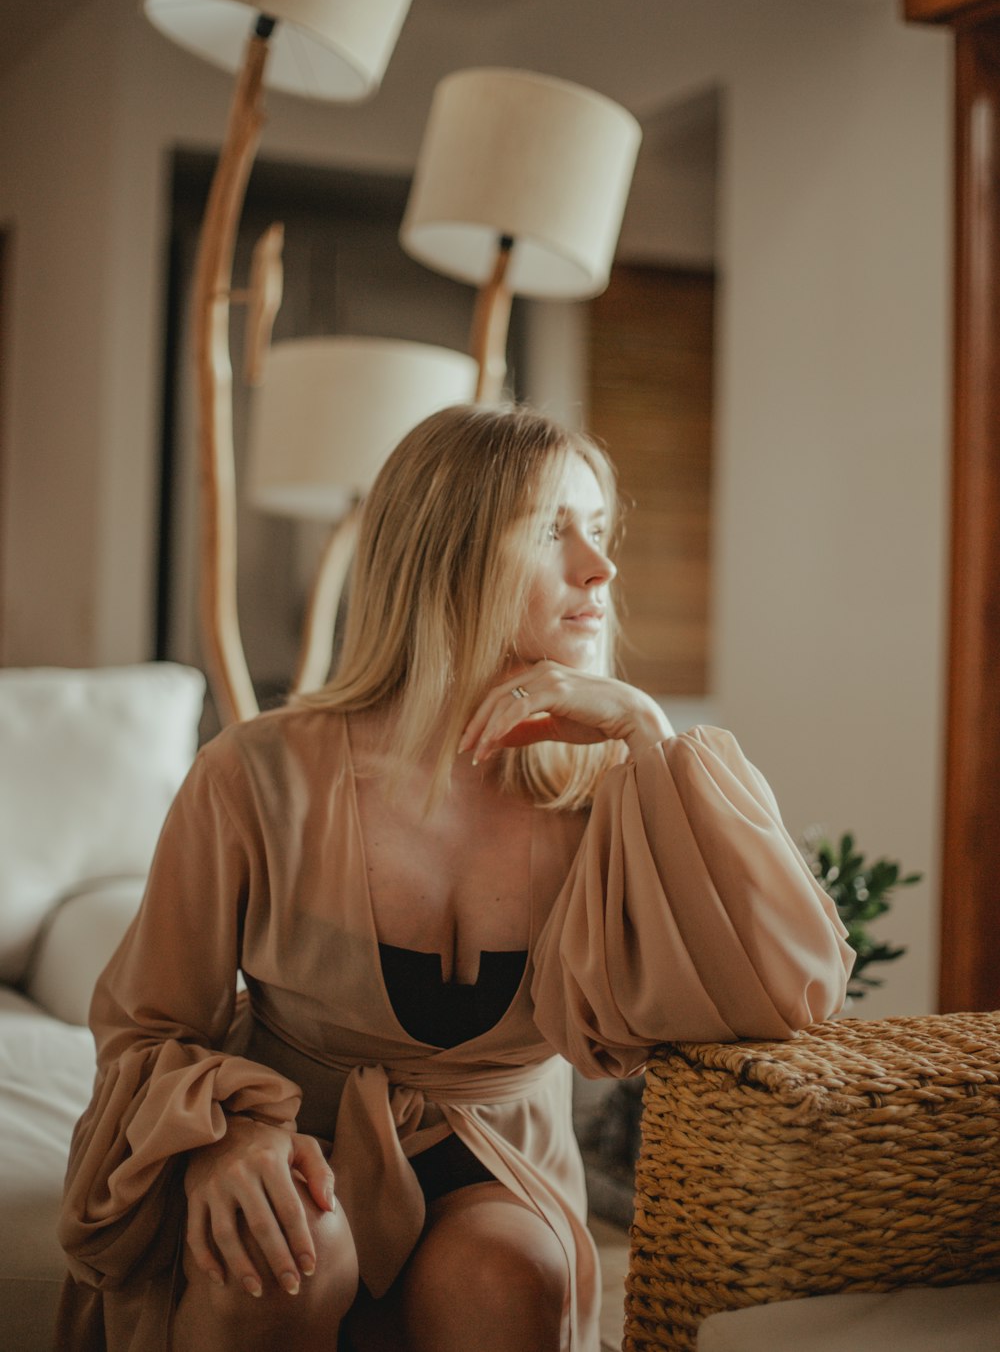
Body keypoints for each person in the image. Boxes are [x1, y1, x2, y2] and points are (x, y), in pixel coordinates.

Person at [58, 404, 852, 1352]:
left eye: (598, 532)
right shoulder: (255, 774)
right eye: (552, 531)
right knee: (283, 1254)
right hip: (285, 1157)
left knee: (511, 1271)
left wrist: (651, 734)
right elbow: (145, 1026)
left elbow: (789, 994)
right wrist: (224, 1141)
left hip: (502, 1167)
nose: (598, 568)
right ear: (447, 553)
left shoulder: (609, 785)